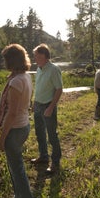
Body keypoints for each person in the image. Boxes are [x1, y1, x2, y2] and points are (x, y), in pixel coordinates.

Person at [0, 44, 35, 198]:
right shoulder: (24, 77)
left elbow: (11, 114)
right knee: (14, 167)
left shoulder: (16, 81)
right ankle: (19, 196)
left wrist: (2, 138)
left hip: (15, 129)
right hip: (23, 126)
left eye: (5, 58)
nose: (4, 62)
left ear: (10, 60)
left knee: (17, 169)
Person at [30, 43, 63, 174]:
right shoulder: (39, 68)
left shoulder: (54, 69)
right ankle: (43, 157)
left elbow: (59, 89)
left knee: (52, 135)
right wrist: (33, 103)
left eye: (38, 56)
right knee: (39, 133)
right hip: (38, 105)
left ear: (45, 56)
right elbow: (38, 88)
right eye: (35, 56)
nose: (35, 58)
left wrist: (51, 107)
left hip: (48, 105)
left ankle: (55, 163)